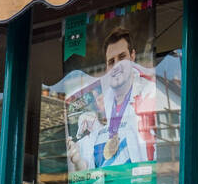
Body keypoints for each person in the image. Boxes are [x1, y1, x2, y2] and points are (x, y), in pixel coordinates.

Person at [67, 27, 158, 171]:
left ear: (132, 56)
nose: (116, 66)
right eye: (111, 61)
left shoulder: (150, 95)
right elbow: (93, 169)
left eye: (122, 57)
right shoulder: (102, 106)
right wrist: (79, 161)